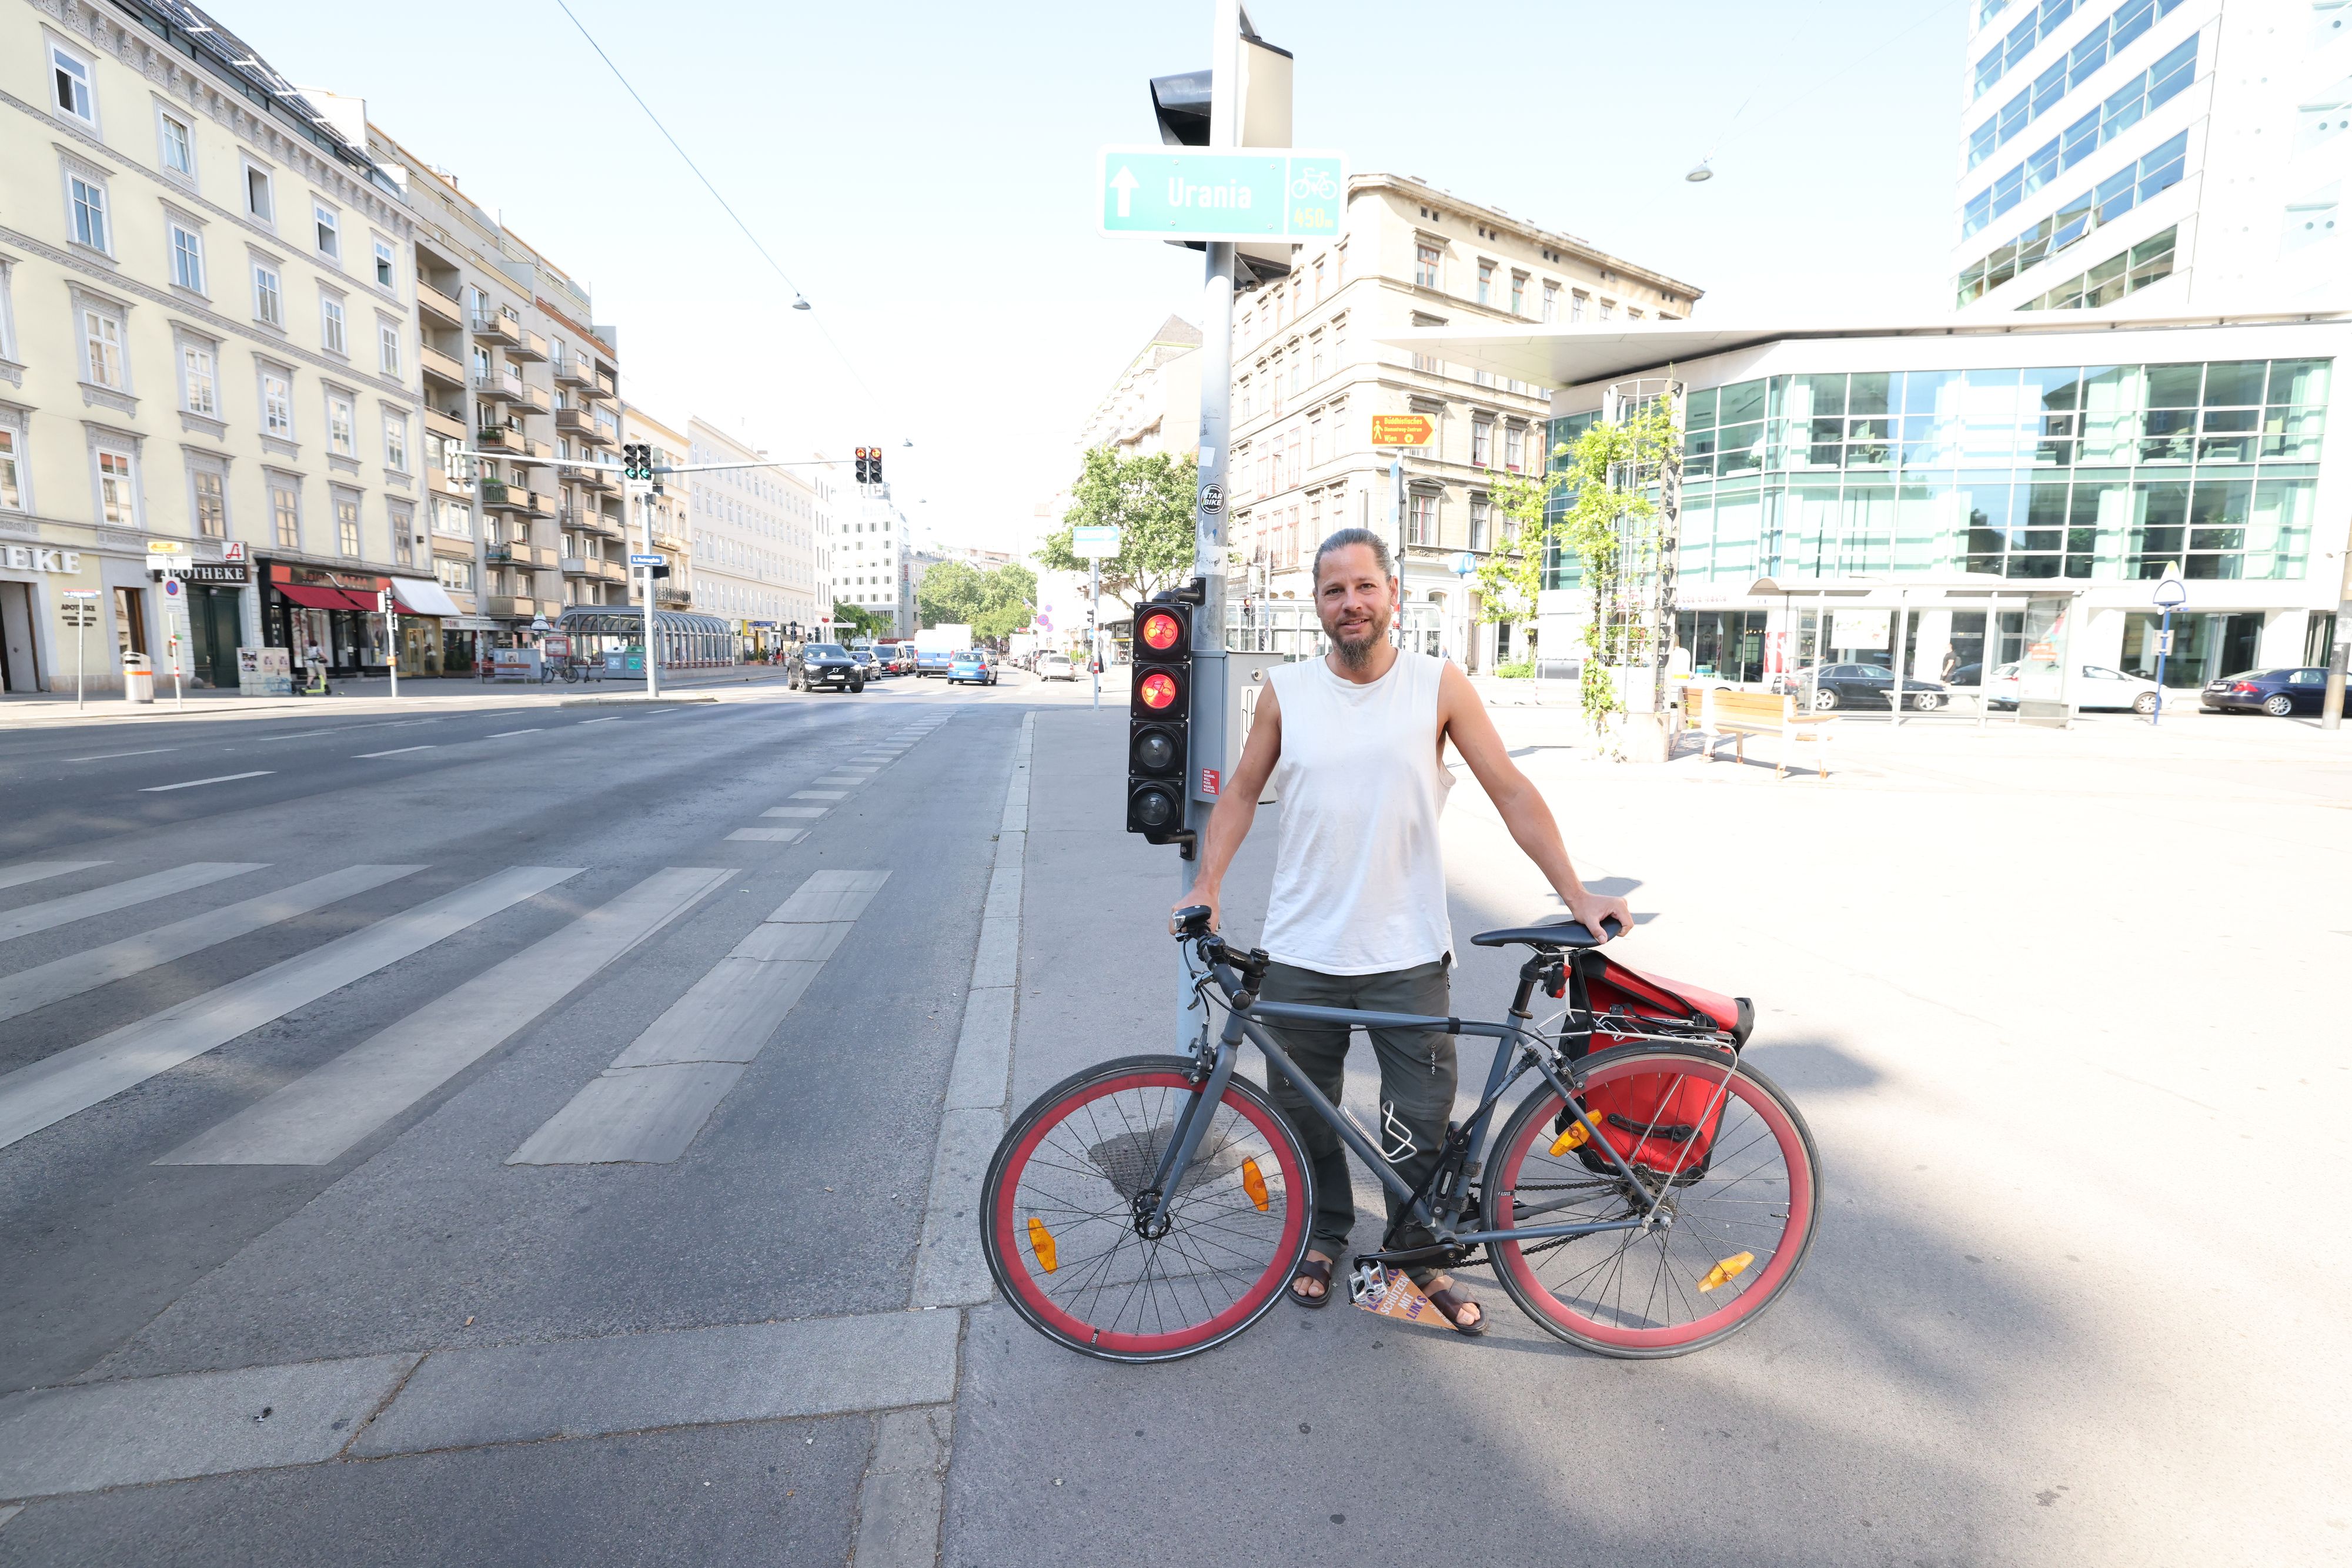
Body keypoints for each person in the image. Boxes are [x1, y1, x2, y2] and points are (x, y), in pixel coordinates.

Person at [1179, 529, 1635, 1335]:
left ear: (1393, 595)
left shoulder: (1437, 686)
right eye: (1332, 591)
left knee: (1416, 1120)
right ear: (1317, 605)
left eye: (1363, 587)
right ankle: (1323, 1234)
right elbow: (1244, 792)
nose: (1350, 603)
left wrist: (1576, 889)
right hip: (1299, 952)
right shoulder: (1285, 691)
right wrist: (1208, 888)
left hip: (1407, 951)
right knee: (1302, 1114)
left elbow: (1511, 791)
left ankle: (1414, 1258)